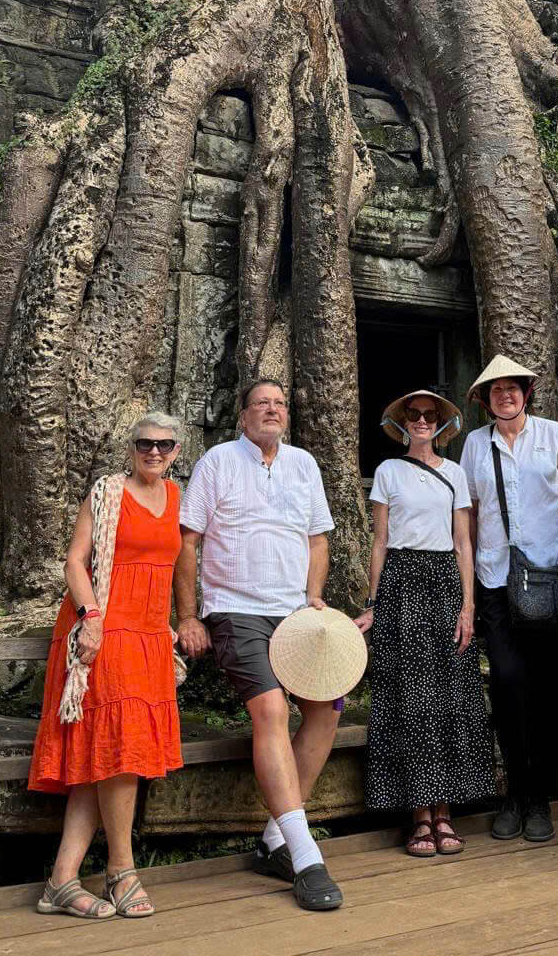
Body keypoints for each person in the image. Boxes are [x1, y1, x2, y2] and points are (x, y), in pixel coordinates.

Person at [175, 378, 344, 912]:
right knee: (270, 709)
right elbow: (188, 540)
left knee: (328, 707)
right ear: (243, 415)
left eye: (279, 404)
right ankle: (306, 855)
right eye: (261, 404)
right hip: (236, 609)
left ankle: (275, 839)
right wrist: (186, 614)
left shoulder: (304, 464)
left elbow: (318, 540)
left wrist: (314, 597)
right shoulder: (218, 462)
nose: (272, 410)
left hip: (295, 610)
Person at [28, 411, 184, 920]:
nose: (154, 453)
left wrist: (179, 621)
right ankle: (122, 869)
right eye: (145, 444)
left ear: (177, 452)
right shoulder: (108, 491)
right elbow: (75, 560)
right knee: (120, 749)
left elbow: (179, 564)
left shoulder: (177, 497)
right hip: (106, 627)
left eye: (164, 445)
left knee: (106, 753)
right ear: (131, 448)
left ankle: (61, 880)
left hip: (149, 634)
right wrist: (91, 616)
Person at [356, 389, 494, 857]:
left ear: (439, 424)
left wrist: (468, 606)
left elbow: (463, 543)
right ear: (402, 423)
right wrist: (374, 602)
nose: (420, 421)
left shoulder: (454, 473)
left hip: (444, 582)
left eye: (428, 415)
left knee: (451, 693)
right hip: (400, 579)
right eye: (413, 415)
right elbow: (379, 541)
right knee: (410, 696)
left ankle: (446, 812)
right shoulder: (390, 472)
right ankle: (418, 814)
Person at [459, 352, 558, 844]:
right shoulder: (473, 444)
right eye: (495, 389)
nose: (506, 394)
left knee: (548, 688)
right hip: (495, 579)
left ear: (527, 393)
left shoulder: (555, 436)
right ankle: (514, 792)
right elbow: (467, 512)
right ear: (485, 400)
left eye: (514, 387)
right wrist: (466, 594)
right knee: (507, 684)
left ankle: (541, 799)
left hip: (550, 577)